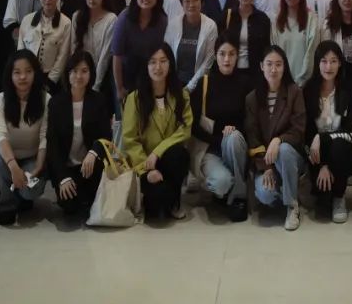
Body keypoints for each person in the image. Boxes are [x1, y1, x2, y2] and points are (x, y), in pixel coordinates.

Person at [121, 45, 192, 220]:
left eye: (163, 61)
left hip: (169, 159)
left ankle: (174, 201)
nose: (158, 67)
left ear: (170, 64)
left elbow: (185, 129)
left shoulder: (181, 95)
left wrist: (158, 152)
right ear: (146, 66)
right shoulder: (134, 99)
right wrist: (147, 169)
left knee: (180, 154)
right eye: (152, 62)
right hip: (145, 163)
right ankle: (157, 197)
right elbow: (130, 140)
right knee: (157, 210)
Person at [189, 38, 252, 221]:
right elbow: (193, 126)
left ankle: (238, 197)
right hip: (210, 149)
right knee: (221, 182)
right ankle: (226, 190)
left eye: (232, 54)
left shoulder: (245, 83)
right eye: (222, 54)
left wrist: (233, 131)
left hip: (236, 147)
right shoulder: (204, 83)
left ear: (237, 56)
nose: (227, 59)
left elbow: (251, 121)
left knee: (233, 138)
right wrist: (217, 140)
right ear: (215, 56)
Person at [246, 46, 306, 231]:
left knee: (284, 149)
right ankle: (289, 189)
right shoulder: (252, 98)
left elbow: (298, 130)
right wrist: (266, 168)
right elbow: (253, 138)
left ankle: (292, 206)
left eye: (278, 64)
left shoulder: (294, 92)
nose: (273, 69)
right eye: (269, 64)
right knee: (265, 195)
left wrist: (278, 140)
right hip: (265, 161)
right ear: (261, 66)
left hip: (290, 157)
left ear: (284, 67)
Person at [47, 50, 112, 220]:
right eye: (74, 71)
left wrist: (94, 152)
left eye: (84, 71)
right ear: (67, 74)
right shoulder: (56, 103)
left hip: (91, 167)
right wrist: (62, 177)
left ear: (91, 73)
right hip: (67, 168)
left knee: (91, 202)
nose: (79, 76)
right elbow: (52, 145)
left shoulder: (99, 100)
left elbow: (106, 135)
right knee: (70, 206)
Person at [0, 49, 50, 226]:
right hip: (7, 158)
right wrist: (13, 166)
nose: (23, 77)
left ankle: (22, 198)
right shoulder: (0, 100)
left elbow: (45, 136)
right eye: (17, 72)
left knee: (31, 191)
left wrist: (38, 167)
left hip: (33, 158)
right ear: (10, 75)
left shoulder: (46, 99)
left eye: (28, 71)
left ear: (35, 73)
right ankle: (6, 204)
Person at [303, 41, 352, 223]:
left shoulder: (349, 90)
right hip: (316, 156)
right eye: (324, 61)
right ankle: (325, 192)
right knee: (321, 205)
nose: (328, 67)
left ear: (340, 63)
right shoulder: (308, 91)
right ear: (317, 63)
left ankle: (339, 197)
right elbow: (305, 132)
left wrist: (322, 138)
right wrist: (323, 165)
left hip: (343, 152)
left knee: (339, 145)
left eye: (333, 61)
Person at [111, 0, 168, 107]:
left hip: (149, 73)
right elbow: (117, 56)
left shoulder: (162, 20)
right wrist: (119, 88)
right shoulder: (125, 18)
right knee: (126, 111)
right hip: (124, 72)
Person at [18, 0, 73, 91]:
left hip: (52, 79)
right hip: (27, 75)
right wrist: (23, 72)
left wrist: (51, 81)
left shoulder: (66, 23)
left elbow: (62, 56)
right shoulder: (27, 20)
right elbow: (20, 49)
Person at [164, 0, 219, 91]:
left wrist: (189, 88)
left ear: (201, 3)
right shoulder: (173, 25)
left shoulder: (210, 26)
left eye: (195, 0)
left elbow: (208, 60)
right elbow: (167, 54)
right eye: (187, 1)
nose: (191, 4)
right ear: (181, 3)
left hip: (200, 83)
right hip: (174, 82)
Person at [271, 0, 320, 86]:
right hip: (282, 82)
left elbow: (311, 52)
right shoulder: (277, 21)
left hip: (305, 82)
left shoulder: (311, 19)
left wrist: (301, 80)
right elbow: (275, 53)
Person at [72, 0, 117, 98]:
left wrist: (96, 85)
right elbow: (74, 48)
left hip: (102, 77)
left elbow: (105, 55)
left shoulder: (111, 19)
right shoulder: (77, 16)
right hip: (79, 74)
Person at [221, 0, 271, 77]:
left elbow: (266, 47)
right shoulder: (227, 16)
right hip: (231, 72)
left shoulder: (262, 18)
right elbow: (219, 45)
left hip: (256, 73)